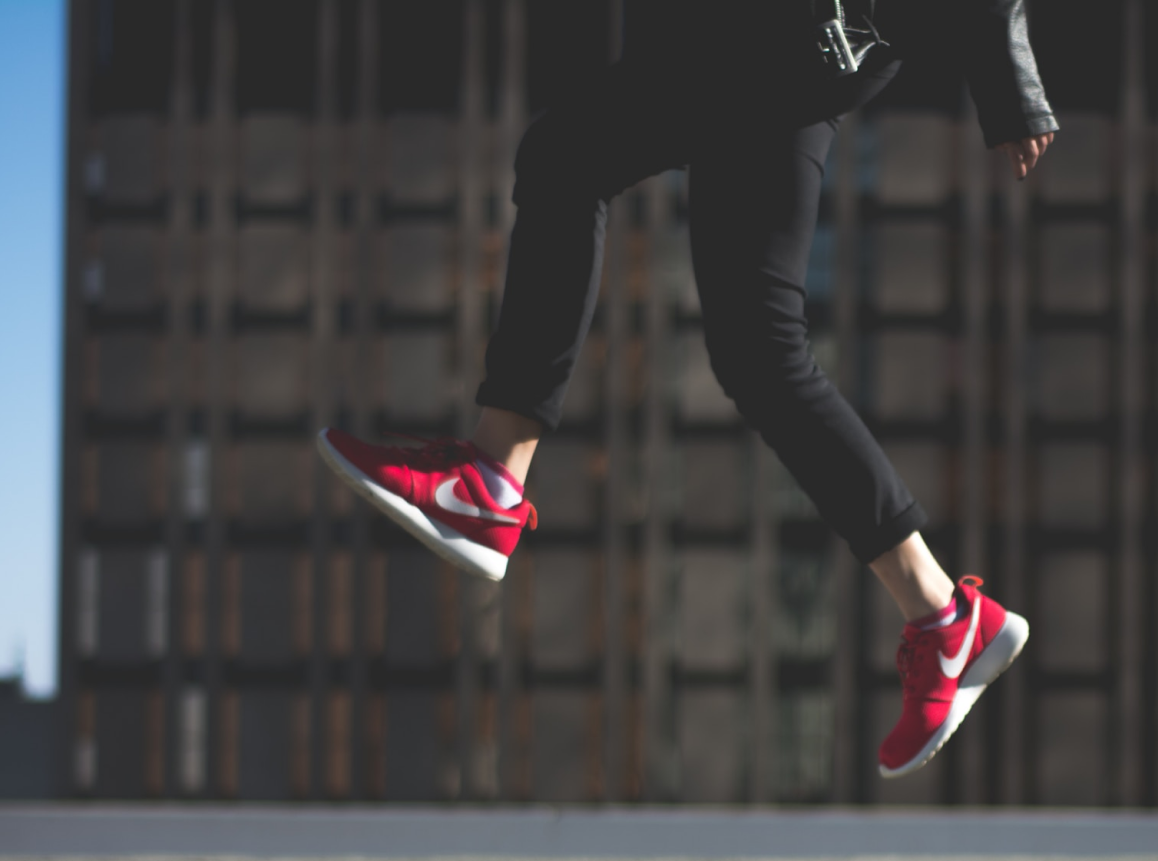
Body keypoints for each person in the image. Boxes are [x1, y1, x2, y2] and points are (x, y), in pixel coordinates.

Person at [317, 0, 1057, 778]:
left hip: (779, 33)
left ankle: (490, 480)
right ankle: (943, 615)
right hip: (782, 49)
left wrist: (1013, 87)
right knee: (759, 352)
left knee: (565, 158)